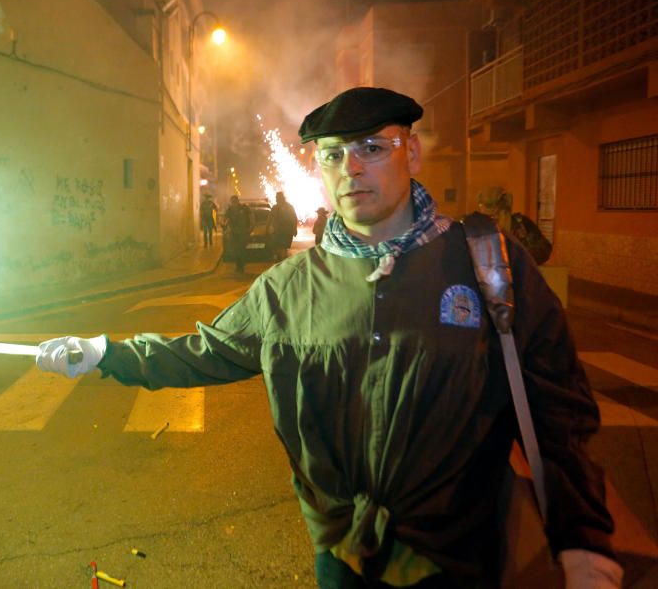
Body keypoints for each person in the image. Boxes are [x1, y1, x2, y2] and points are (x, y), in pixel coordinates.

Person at [36, 87, 620, 588]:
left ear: (411, 151)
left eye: (372, 148)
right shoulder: (288, 288)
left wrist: (583, 538)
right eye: (335, 156)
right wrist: (105, 353)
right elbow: (207, 351)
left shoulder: (488, 266)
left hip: (458, 556)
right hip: (342, 555)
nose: (352, 169)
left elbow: (558, 413)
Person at [477, 186, 553, 265]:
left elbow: (544, 251)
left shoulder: (521, 225)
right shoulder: (478, 230)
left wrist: (520, 255)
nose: (490, 221)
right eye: (485, 217)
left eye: (495, 216)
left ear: (505, 212)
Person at [222, 195, 253, 274]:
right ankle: (238, 265)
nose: (233, 203)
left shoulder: (244, 208)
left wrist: (250, 228)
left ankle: (241, 266)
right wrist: (224, 224)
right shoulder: (230, 210)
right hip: (234, 233)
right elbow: (226, 218)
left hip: (243, 232)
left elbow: (251, 217)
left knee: (241, 249)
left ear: (237, 201)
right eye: (232, 202)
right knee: (236, 249)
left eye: (234, 201)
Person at [268, 191, 299, 260]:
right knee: (278, 247)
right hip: (278, 231)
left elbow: (294, 218)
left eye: (277, 198)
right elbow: (269, 218)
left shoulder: (289, 207)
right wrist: (267, 228)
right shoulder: (275, 208)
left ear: (281, 198)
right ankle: (281, 259)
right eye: (276, 198)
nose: (276, 199)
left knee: (283, 247)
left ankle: (282, 259)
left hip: (286, 232)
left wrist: (294, 229)